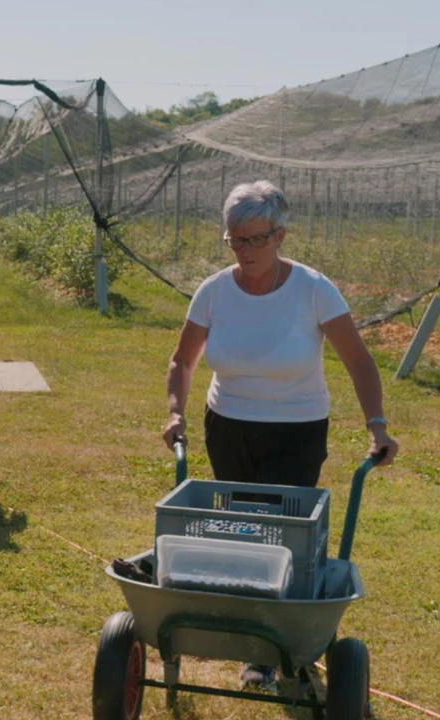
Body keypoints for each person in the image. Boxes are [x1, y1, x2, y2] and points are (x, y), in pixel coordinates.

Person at [161, 181, 399, 688]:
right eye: (236, 240)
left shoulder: (313, 289)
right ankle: (249, 633)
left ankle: (269, 652)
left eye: (256, 239)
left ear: (280, 235)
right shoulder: (214, 291)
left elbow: (358, 361)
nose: (245, 250)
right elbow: (182, 360)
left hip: (296, 430)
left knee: (279, 533)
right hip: (228, 427)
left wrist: (377, 425)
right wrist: (176, 413)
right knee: (241, 528)